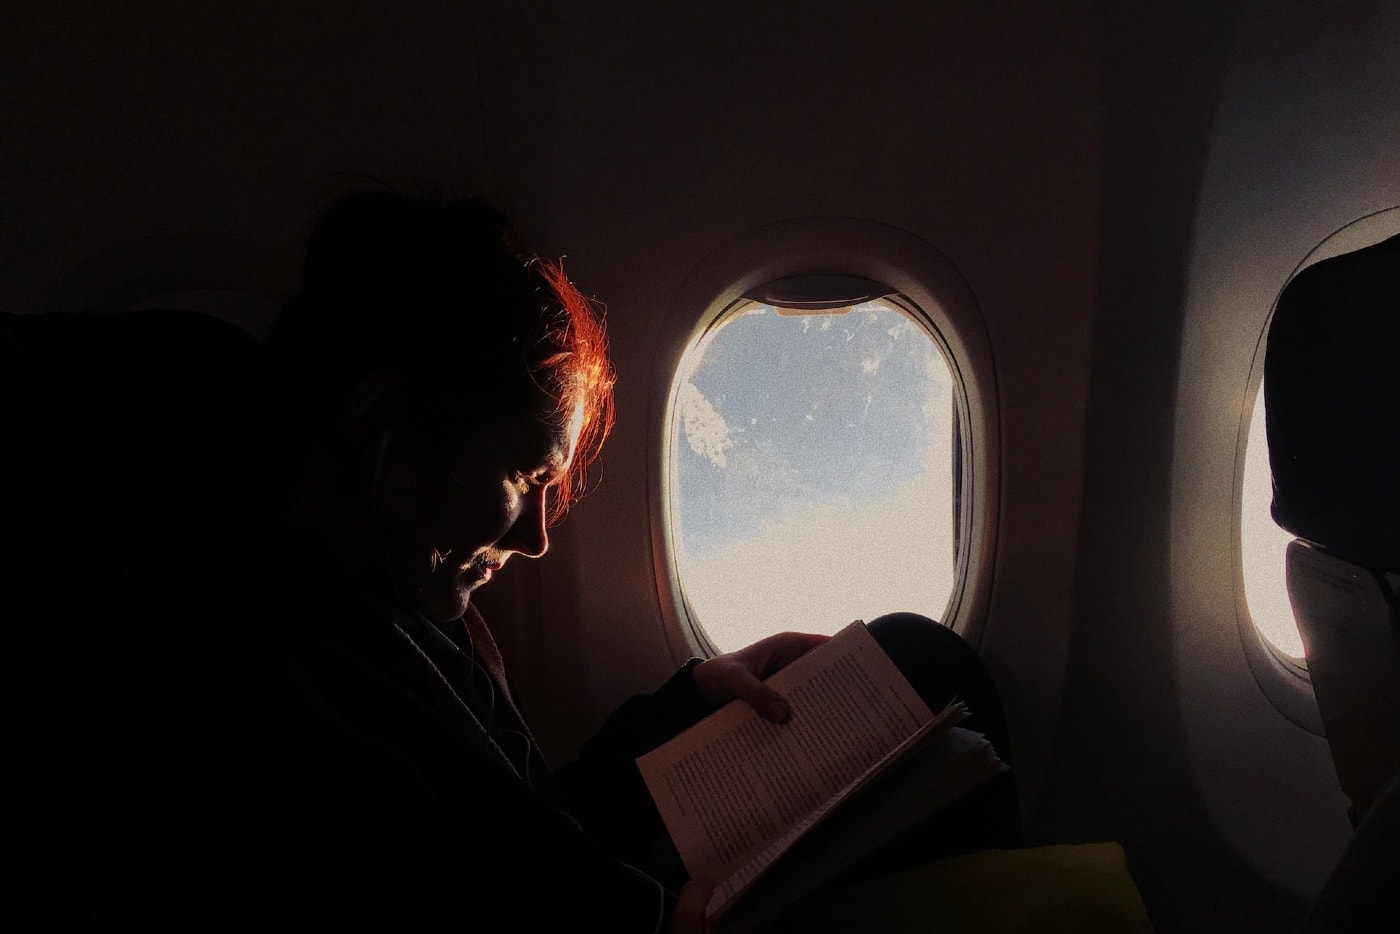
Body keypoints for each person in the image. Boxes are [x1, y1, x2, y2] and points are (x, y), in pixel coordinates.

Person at [14, 186, 1016, 931]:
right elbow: (486, 866)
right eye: (521, 473)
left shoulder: (395, 587)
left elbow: (515, 815)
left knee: (917, 663)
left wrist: (688, 701)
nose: (536, 536)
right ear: (380, 421)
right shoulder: (265, 629)